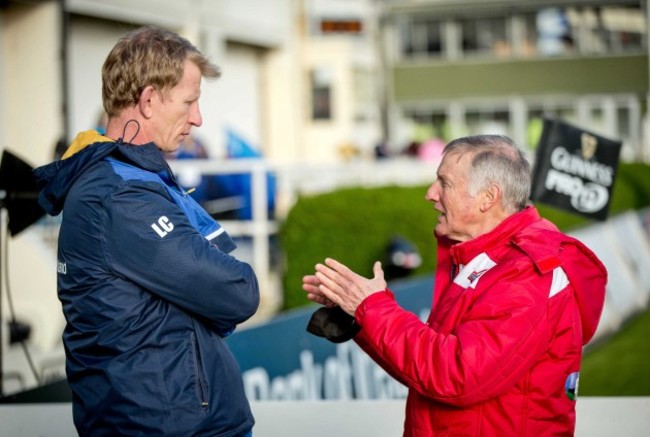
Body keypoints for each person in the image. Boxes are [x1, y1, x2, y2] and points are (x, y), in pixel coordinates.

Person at [33, 27, 259, 436]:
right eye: (190, 101)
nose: (198, 118)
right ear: (150, 100)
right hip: (164, 426)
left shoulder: (128, 178)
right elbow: (237, 291)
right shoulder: (121, 195)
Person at [303, 134, 607, 436]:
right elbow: (425, 371)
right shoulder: (484, 260)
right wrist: (359, 314)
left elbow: (457, 376)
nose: (430, 193)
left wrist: (373, 308)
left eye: (444, 183)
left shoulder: (527, 275)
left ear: (488, 198)